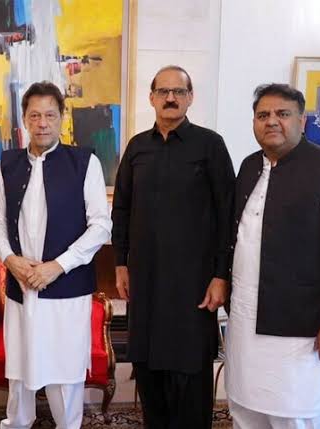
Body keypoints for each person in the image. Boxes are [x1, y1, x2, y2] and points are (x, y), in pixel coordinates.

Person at [225, 83, 320, 428]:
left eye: (282, 114)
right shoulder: (249, 167)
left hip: (303, 330)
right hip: (245, 326)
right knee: (246, 411)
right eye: (263, 115)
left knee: (297, 416)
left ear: (302, 121)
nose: (271, 121)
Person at [112, 65, 235, 428]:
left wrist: (221, 275)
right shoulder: (137, 147)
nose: (170, 98)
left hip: (194, 284)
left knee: (190, 374)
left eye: (178, 92)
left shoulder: (210, 145)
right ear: (151, 98)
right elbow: (121, 208)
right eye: (163, 91)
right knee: (149, 372)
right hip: (146, 281)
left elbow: (228, 214)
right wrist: (120, 263)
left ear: (190, 98)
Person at [0, 81, 111, 429]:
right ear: (24, 119)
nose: (42, 123)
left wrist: (58, 266)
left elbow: (101, 225)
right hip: (21, 285)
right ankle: (17, 423)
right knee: (20, 370)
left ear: (61, 118)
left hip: (66, 288)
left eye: (50, 115)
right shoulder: (8, 163)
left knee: (65, 371)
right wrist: (10, 259)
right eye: (35, 115)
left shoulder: (84, 162)